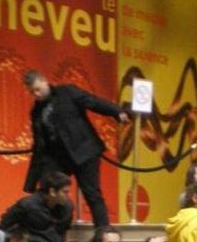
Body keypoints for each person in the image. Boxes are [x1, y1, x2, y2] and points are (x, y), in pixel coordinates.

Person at [23, 70, 129, 227]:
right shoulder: (36, 111)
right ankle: (55, 233)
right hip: (59, 158)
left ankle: (104, 233)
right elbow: (39, 143)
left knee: (92, 194)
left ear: (45, 81)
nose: (36, 94)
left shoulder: (67, 92)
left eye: (38, 89)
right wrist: (34, 177)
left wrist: (116, 110)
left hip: (84, 151)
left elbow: (93, 102)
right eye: (32, 92)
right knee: (51, 192)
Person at [0, 171, 85, 242]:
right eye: (65, 192)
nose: (68, 195)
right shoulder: (27, 205)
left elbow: (64, 232)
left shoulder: (67, 207)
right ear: (52, 192)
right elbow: (4, 224)